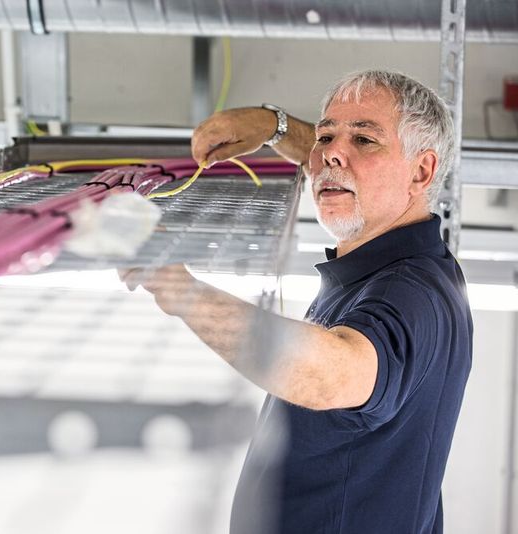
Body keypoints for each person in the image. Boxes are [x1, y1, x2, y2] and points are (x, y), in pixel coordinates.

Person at [120, 70, 473, 533]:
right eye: (325, 136)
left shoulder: (409, 294)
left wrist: (177, 288)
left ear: (422, 170)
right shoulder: (403, 260)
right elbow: (338, 158)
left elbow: (332, 375)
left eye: (366, 139)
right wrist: (274, 127)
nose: (331, 156)